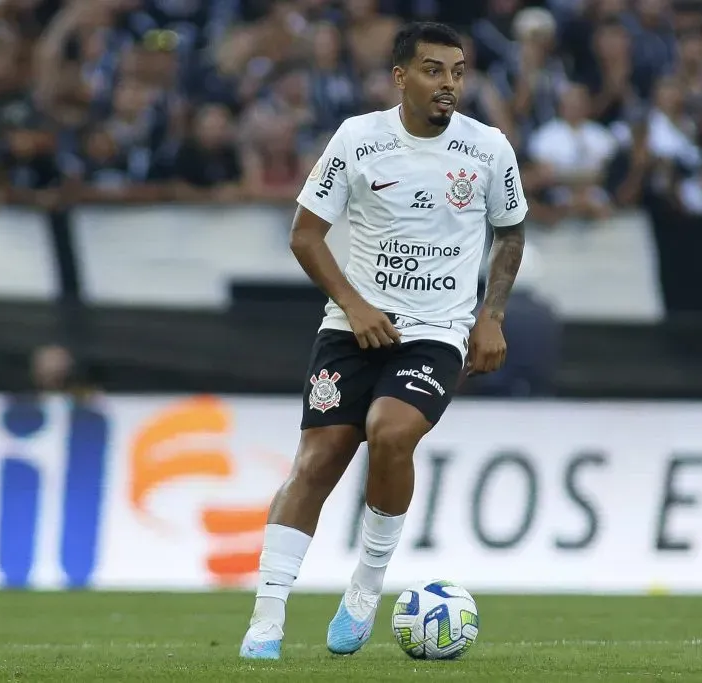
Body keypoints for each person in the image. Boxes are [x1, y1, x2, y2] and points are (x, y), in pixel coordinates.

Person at [239, 22, 527, 660]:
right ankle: (266, 621)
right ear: (401, 77)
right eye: (433, 70)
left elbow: (511, 233)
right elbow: (305, 235)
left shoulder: (488, 149)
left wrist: (492, 315)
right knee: (317, 461)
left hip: (435, 331)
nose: (447, 83)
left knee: (391, 432)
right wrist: (355, 304)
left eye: (456, 71)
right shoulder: (358, 139)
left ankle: (365, 589)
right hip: (352, 327)